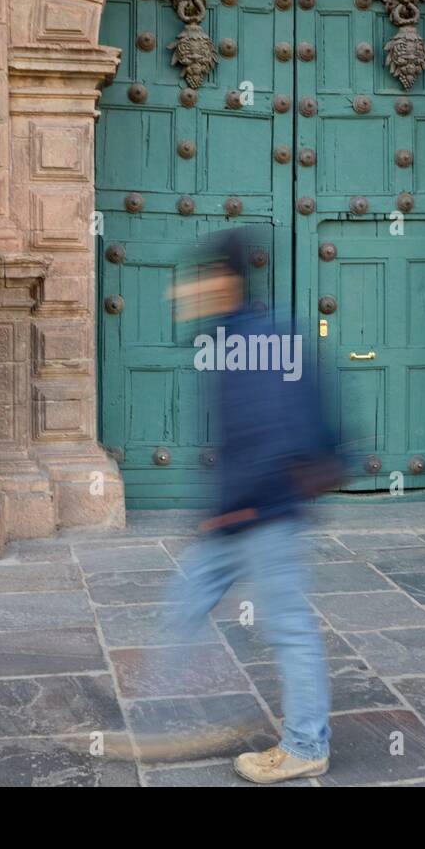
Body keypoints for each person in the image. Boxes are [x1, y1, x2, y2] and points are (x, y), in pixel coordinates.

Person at [163, 227, 342, 784]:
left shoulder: (252, 340)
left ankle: (306, 744)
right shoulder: (245, 332)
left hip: (261, 511)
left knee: (287, 625)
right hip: (246, 508)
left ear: (226, 280)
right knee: (187, 599)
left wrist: (237, 507)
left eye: (197, 278)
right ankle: (157, 710)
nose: (185, 291)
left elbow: (270, 432)